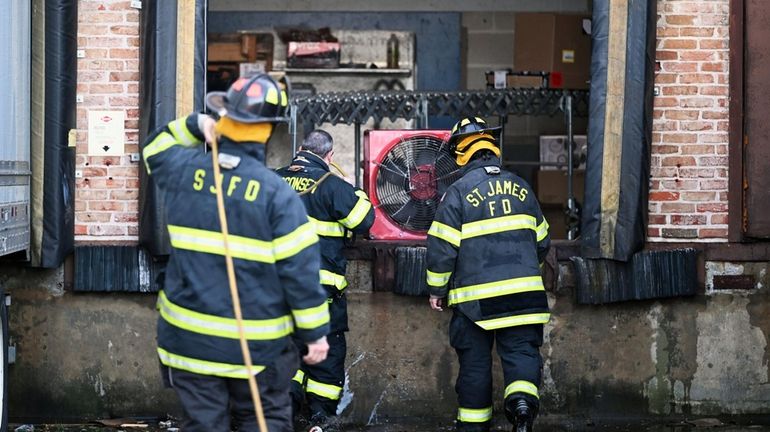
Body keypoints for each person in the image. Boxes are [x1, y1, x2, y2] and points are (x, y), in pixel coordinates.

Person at [141, 73, 331, 432]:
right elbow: (300, 274)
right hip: (257, 351)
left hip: (189, 343)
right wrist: (315, 334)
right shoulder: (278, 196)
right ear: (269, 129)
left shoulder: (184, 171)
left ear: (224, 116)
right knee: (262, 422)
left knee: (204, 425)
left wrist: (195, 125)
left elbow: (153, 148)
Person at [425, 117, 551, 432]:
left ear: (460, 153)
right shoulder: (522, 187)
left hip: (475, 302)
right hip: (525, 296)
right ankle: (522, 408)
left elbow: (442, 249)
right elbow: (543, 241)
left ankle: (472, 425)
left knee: (475, 363)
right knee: (521, 352)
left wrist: (436, 290)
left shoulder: (457, 193)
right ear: (492, 148)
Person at [275, 130, 375, 430]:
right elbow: (364, 220)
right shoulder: (331, 185)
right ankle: (320, 418)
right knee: (326, 355)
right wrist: (355, 192)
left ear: (300, 149)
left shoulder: (272, 181)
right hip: (321, 293)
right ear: (329, 157)